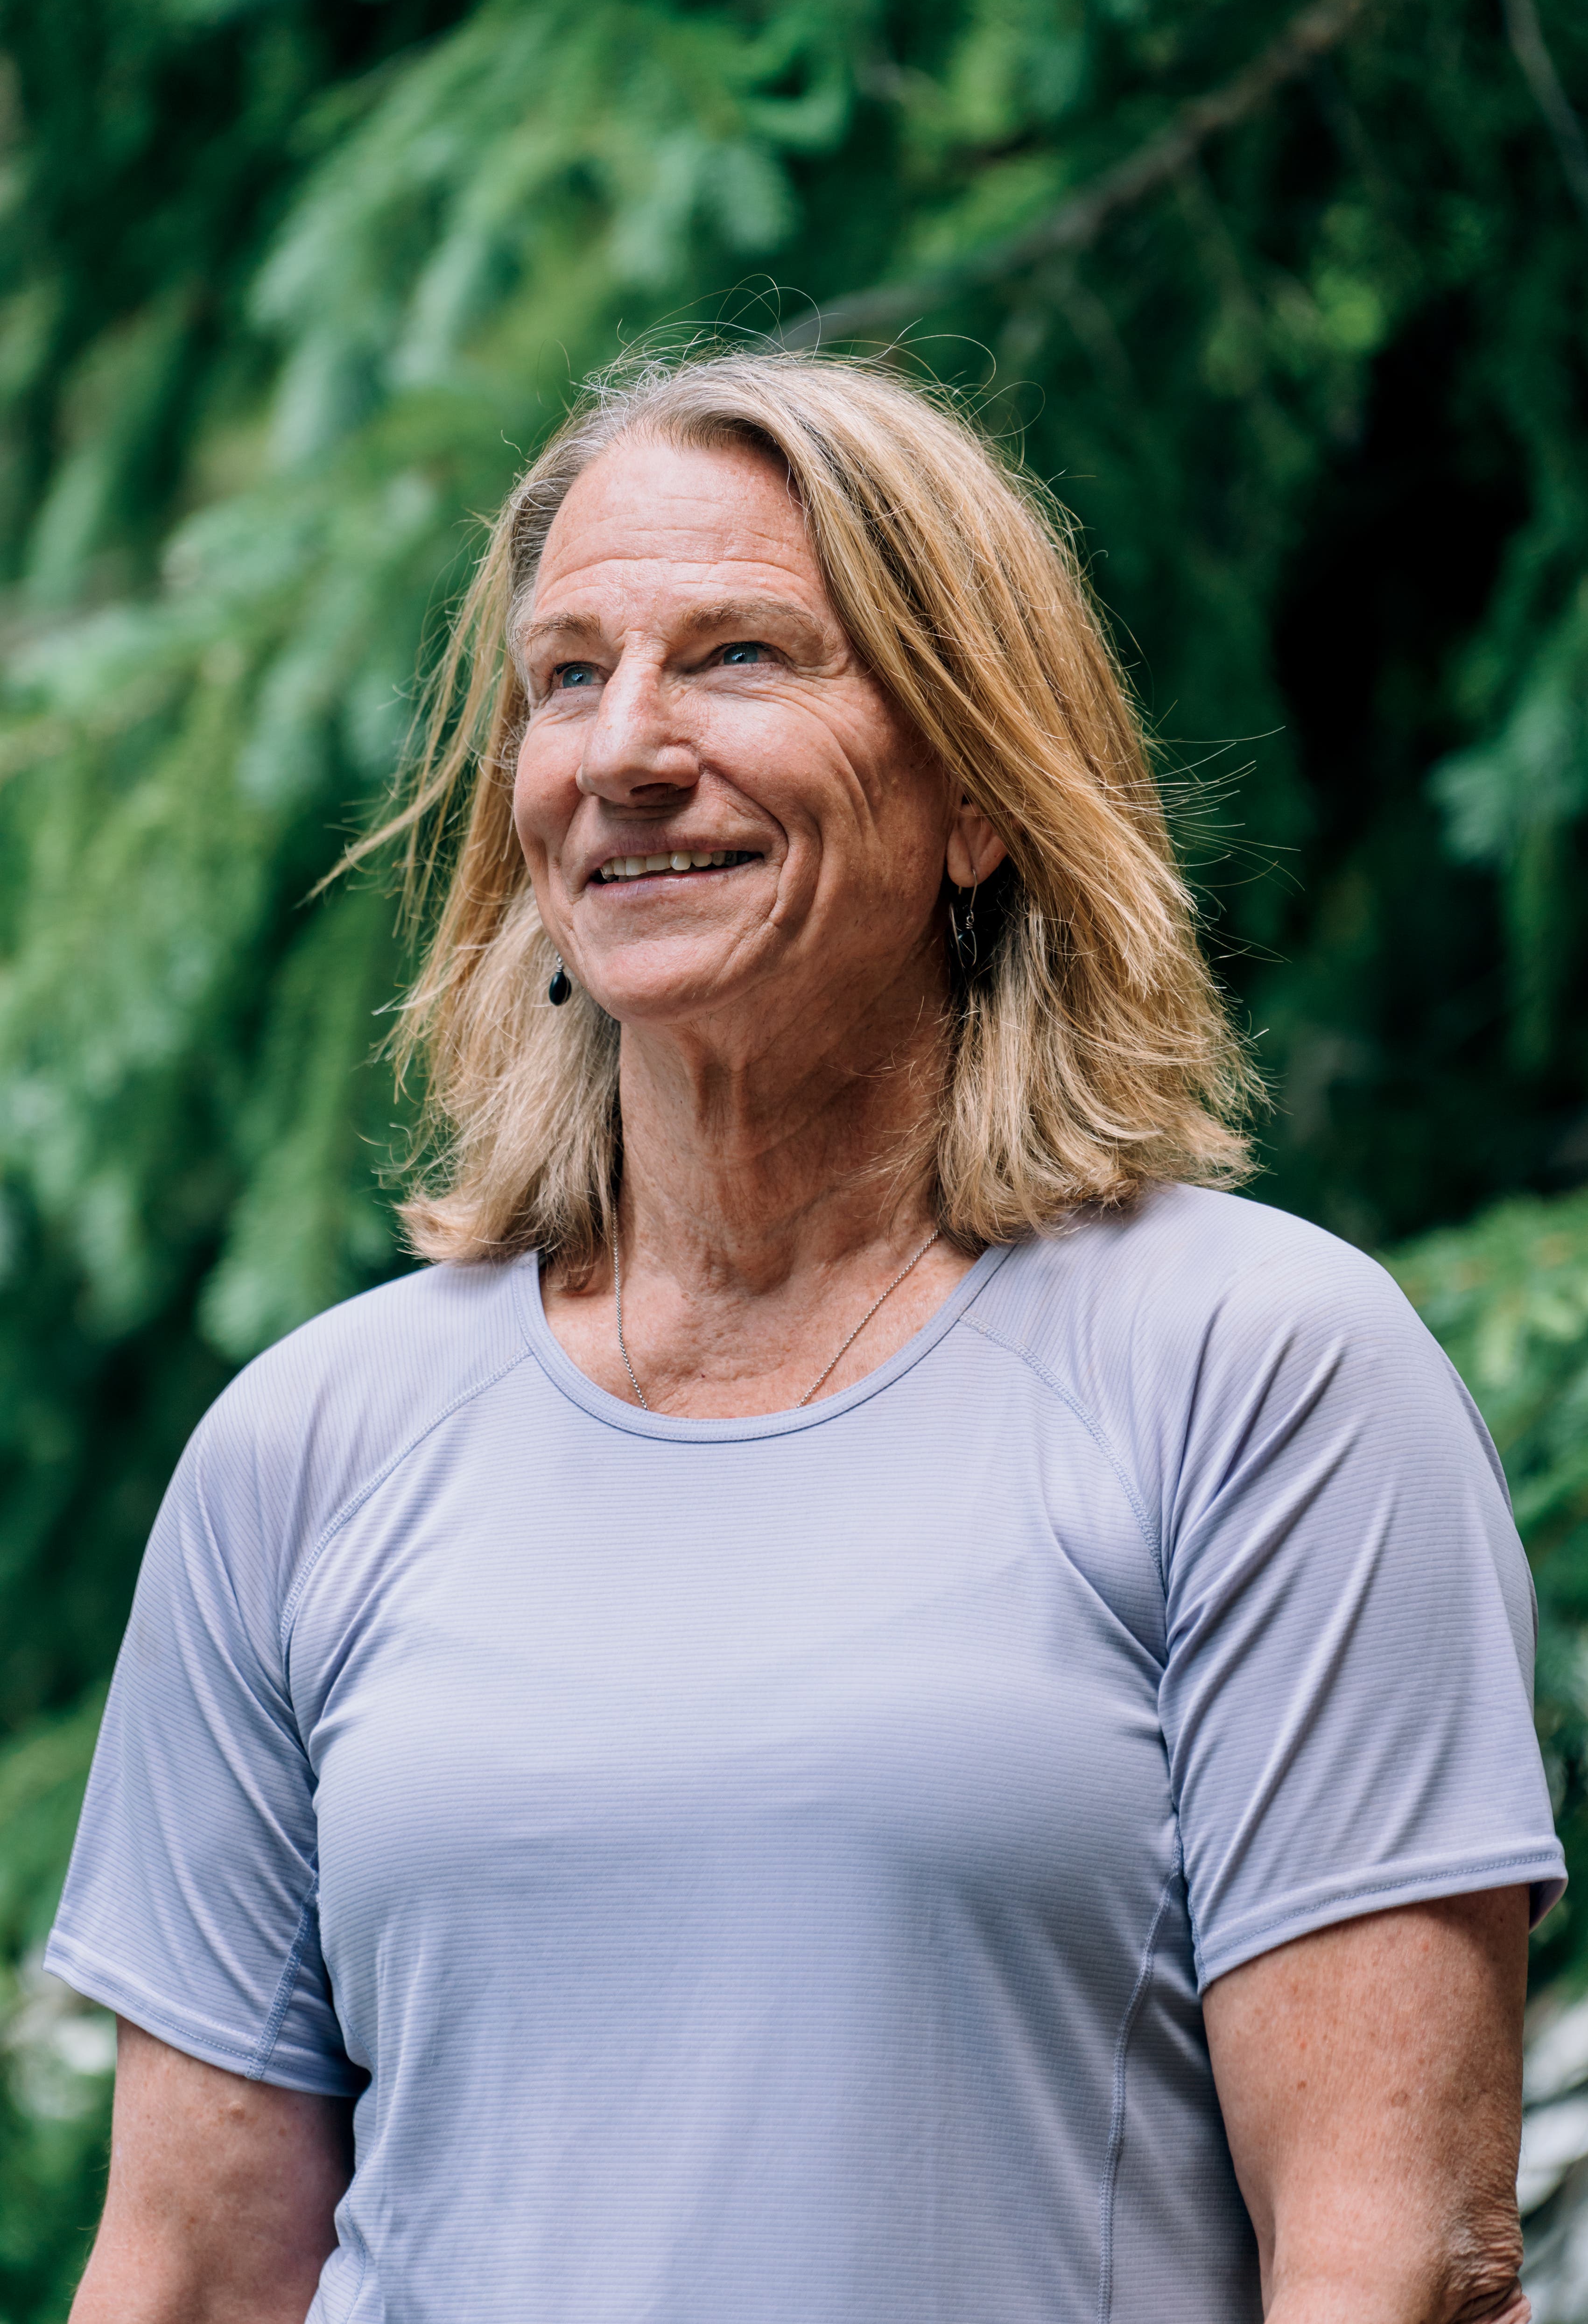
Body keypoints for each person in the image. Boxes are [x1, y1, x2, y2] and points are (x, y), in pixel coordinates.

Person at [49, 349, 1561, 2324]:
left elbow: (1389, 2262)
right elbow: (185, 2270)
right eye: (566, 675)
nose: (626, 750)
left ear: (975, 798)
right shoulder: (310, 1446)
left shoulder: (1255, 1376)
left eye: (743, 656)